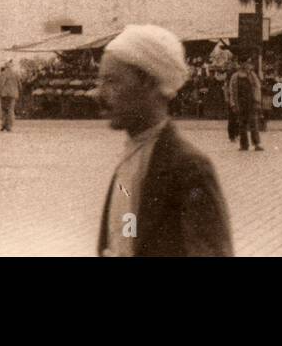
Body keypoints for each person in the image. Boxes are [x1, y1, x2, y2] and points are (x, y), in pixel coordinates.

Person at [96, 24, 232, 257]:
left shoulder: (189, 168)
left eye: (112, 81)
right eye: (101, 82)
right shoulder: (131, 159)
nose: (100, 94)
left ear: (148, 82)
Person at [228, 55, 264, 152]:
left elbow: (257, 88)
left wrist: (257, 101)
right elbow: (231, 91)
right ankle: (244, 145)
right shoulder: (235, 77)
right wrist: (233, 104)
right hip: (240, 103)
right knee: (242, 125)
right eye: (243, 63)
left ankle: (256, 144)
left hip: (251, 102)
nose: (245, 65)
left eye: (246, 63)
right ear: (240, 64)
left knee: (254, 123)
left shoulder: (251, 75)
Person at [0, 59, 20, 132]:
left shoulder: (3, 74)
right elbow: (19, 84)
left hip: (4, 94)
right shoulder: (15, 74)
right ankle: (9, 125)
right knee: (10, 110)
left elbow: (1, 84)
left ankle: (4, 124)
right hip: (13, 94)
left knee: (3, 109)